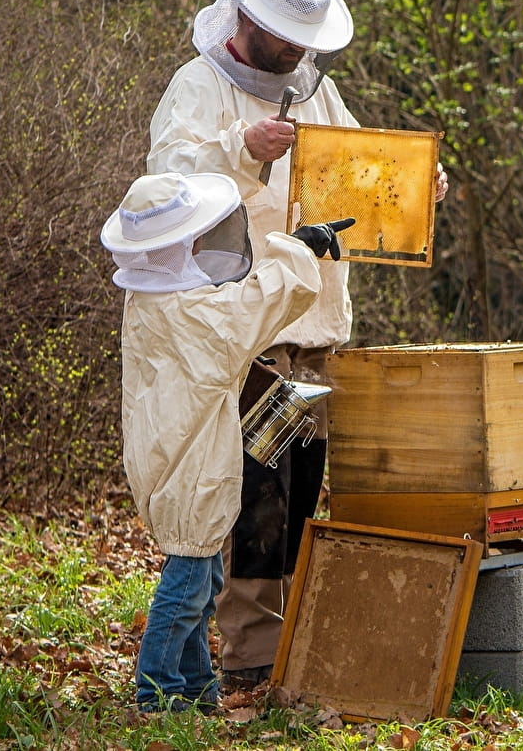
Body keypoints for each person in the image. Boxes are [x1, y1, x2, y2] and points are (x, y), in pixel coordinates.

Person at [146, 0, 448, 689]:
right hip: (246, 331)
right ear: (246, 20)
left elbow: (357, 180)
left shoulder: (317, 89)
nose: (296, 52)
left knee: (303, 489)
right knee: (258, 495)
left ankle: (293, 647)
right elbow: (163, 191)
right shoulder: (198, 87)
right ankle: (251, 655)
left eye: (303, 38)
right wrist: (239, 151)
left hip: (314, 332)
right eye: (285, 37)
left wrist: (417, 188)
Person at [99, 169, 353, 712]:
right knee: (189, 578)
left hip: (172, 454)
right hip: (189, 465)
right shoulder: (193, 317)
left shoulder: (153, 303)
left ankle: (197, 687)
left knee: (202, 569)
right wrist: (297, 249)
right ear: (178, 245)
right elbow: (252, 309)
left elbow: (229, 303)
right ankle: (157, 691)